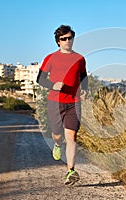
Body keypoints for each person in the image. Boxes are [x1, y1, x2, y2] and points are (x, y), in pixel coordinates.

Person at [36, 25, 88, 185]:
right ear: (58, 41)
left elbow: (84, 76)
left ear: (73, 39)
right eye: (64, 39)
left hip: (74, 102)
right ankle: (57, 144)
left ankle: (70, 171)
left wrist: (85, 90)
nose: (67, 41)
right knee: (58, 134)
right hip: (55, 101)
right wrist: (53, 85)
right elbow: (40, 79)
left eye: (70, 38)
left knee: (71, 136)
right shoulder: (51, 58)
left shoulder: (80, 58)